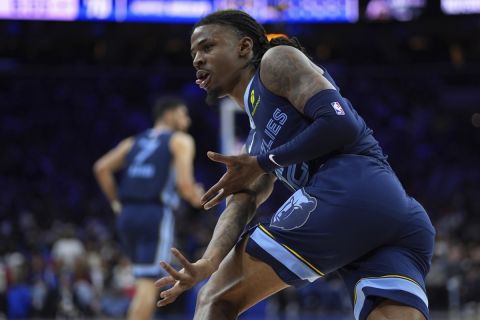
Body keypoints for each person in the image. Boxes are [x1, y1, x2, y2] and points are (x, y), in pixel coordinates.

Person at [155, 10, 435, 320]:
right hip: (394, 215)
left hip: (351, 186)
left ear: (245, 47)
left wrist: (264, 162)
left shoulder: (276, 60)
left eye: (207, 47)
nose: (197, 59)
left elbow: (341, 124)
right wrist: (208, 263)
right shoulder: (255, 142)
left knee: (215, 298)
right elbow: (240, 204)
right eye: (194, 52)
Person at [93, 96, 203, 320]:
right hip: (154, 213)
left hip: (126, 215)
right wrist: (198, 198)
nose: (187, 121)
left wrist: (116, 202)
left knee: (142, 280)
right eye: (184, 114)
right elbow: (185, 185)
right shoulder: (180, 140)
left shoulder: (133, 141)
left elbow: (101, 168)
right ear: (169, 115)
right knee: (148, 284)